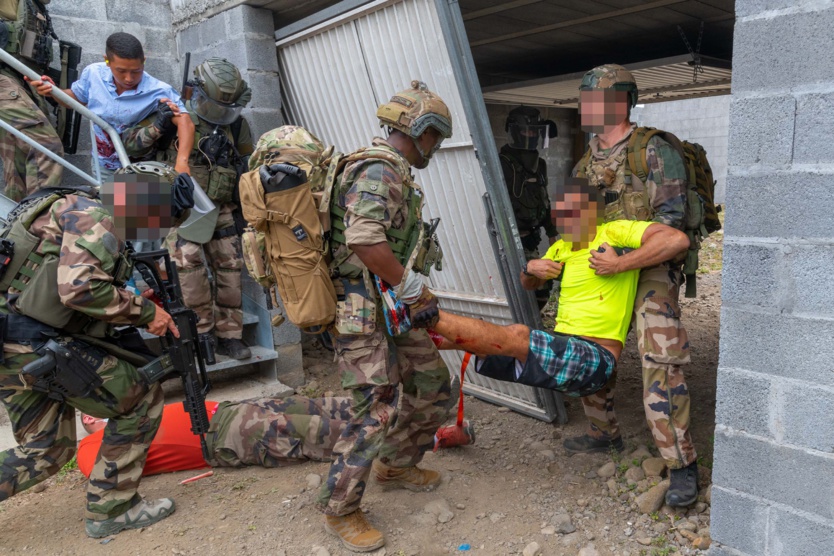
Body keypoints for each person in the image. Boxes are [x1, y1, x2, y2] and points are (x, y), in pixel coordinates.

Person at [0, 174, 181, 538]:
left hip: (10, 345)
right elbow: (80, 290)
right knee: (140, 397)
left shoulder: (70, 204)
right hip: (31, 344)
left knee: (46, 449)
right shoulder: (96, 215)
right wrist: (148, 314)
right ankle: (112, 509)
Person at [319, 80, 454, 552]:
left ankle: (395, 463)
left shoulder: (393, 169)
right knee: (373, 409)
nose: (436, 147)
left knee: (433, 384)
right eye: (435, 136)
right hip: (361, 308)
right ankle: (341, 510)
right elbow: (363, 239)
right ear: (417, 130)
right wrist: (412, 287)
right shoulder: (379, 169)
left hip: (387, 304)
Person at [429, 180, 689, 400]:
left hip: (597, 359)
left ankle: (430, 315)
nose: (564, 220)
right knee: (484, 344)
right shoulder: (560, 248)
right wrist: (530, 268)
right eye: (560, 213)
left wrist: (619, 263)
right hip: (567, 348)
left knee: (517, 334)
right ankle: (416, 336)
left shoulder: (612, 232)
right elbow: (528, 284)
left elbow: (677, 240)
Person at [570, 63, 699, 507]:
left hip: (650, 268)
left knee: (661, 360)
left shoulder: (654, 151)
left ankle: (681, 464)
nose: (588, 107)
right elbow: (579, 228)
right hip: (604, 267)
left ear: (622, 102)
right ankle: (602, 433)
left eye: (597, 99)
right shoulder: (586, 160)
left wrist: (622, 262)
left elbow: (672, 230)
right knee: (590, 347)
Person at [121, 57, 253, 359]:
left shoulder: (236, 125)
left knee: (231, 272)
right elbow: (130, 146)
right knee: (189, 275)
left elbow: (247, 163)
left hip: (221, 207)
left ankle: (231, 335)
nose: (221, 114)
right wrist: (159, 125)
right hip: (182, 209)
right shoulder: (172, 116)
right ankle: (202, 334)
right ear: (196, 93)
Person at [27, 32, 194, 180]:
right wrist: (53, 91)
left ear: (143, 61)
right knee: (109, 210)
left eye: (136, 71)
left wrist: (182, 162)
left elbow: (185, 121)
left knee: (138, 213)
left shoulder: (159, 90)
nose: (129, 78)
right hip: (103, 165)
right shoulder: (93, 74)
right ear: (107, 61)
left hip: (140, 167)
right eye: (121, 71)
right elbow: (75, 99)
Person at [77, 396, 353, 476]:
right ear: (90, 418)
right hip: (224, 437)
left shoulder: (131, 415)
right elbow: (97, 471)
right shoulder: (91, 444)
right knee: (316, 431)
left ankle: (388, 410)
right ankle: (391, 437)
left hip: (230, 409)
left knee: (321, 405)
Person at [0, 0, 64, 201]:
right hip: (5, 78)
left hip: (22, 81)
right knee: (47, 147)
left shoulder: (38, 8)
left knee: (18, 162)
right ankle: (38, 220)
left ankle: (14, 226)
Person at [499, 106, 559, 309]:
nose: (531, 135)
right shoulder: (502, 163)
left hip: (533, 238)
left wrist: (552, 233)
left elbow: (543, 199)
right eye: (527, 130)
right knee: (529, 285)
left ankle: (530, 324)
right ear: (515, 131)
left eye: (535, 131)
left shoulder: (539, 164)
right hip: (510, 238)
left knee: (541, 285)